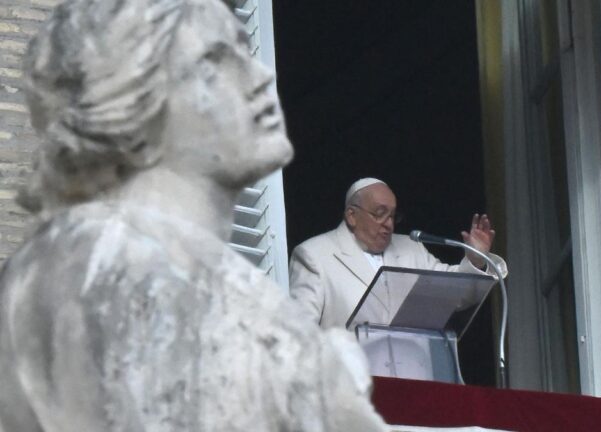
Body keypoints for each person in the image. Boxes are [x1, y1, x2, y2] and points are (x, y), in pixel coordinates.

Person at [0, 0, 386, 430]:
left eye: (245, 50)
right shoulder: (127, 270)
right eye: (216, 60)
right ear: (129, 99)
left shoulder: (102, 258)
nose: (261, 79)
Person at [289, 178, 508, 329]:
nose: (389, 225)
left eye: (393, 216)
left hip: (412, 382)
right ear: (351, 215)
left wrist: (476, 259)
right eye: (380, 214)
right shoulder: (315, 255)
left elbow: (455, 293)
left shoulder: (411, 249)